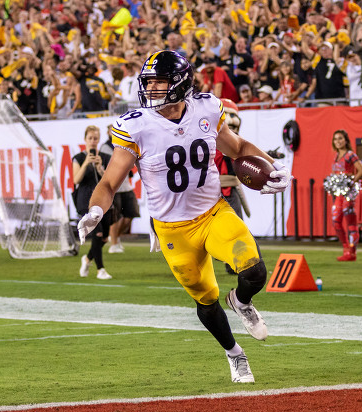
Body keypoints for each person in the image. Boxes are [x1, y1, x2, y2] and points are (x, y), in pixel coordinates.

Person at [77, 51, 292, 383]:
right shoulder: (137, 125)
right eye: (149, 84)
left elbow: (237, 148)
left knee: (255, 271)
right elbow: (109, 182)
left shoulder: (205, 108)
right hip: (172, 229)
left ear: (179, 84)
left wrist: (273, 166)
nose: (151, 90)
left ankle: (242, 300)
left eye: (159, 83)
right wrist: (95, 209)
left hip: (213, 213)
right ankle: (235, 354)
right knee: (205, 299)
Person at [216, 98, 251, 275]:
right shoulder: (212, 142)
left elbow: (246, 155)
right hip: (214, 190)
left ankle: (234, 262)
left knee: (236, 226)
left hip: (229, 187)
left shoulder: (234, 142)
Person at [72, 125, 113, 279]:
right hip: (85, 200)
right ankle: (100, 270)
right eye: (90, 138)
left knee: (104, 237)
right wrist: (85, 164)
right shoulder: (79, 157)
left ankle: (87, 258)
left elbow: (109, 180)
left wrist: (100, 167)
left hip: (102, 199)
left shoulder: (104, 157)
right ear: (85, 139)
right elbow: (76, 180)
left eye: (95, 138)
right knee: (98, 233)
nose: (93, 141)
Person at [100, 124, 140, 254]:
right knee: (115, 217)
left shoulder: (125, 144)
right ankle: (114, 244)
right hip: (114, 187)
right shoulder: (105, 148)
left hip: (126, 186)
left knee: (131, 214)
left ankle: (115, 237)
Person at [330, 129, 362, 261]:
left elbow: (360, 170)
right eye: (335, 139)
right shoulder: (336, 156)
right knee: (336, 220)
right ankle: (345, 248)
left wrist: (351, 181)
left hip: (348, 193)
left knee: (350, 222)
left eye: (340, 138)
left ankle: (352, 253)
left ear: (346, 140)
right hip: (339, 193)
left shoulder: (350, 155)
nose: (338, 141)